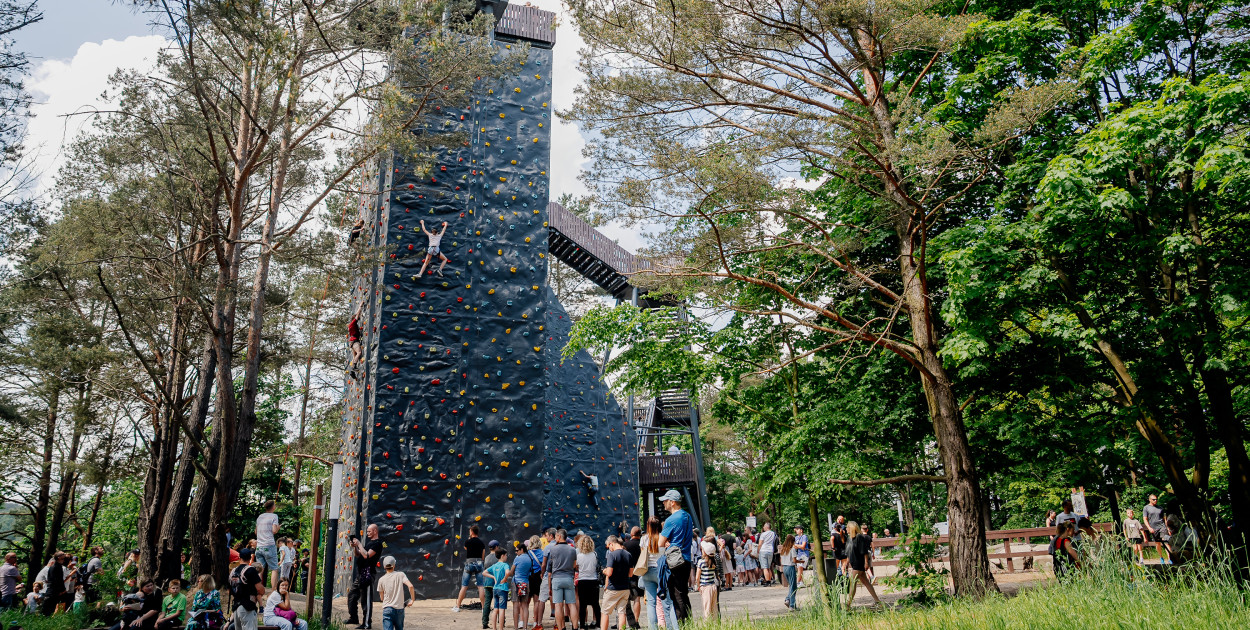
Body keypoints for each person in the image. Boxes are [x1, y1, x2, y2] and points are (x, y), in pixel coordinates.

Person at [657, 490, 694, 621]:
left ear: (672, 503)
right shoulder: (688, 516)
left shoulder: (670, 520)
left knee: (676, 595)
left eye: (665, 501)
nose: (663, 503)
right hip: (686, 559)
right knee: (684, 593)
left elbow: (660, 543)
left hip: (675, 561)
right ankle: (689, 622)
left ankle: (682, 624)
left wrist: (667, 541)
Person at [636, 517, 678, 630]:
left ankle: (653, 628)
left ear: (648, 526)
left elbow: (643, 557)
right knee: (667, 603)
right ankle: (671, 627)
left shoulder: (644, 539)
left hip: (647, 572)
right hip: (661, 571)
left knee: (651, 603)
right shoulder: (662, 538)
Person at [346, 524, 382, 628]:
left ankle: (366, 624)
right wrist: (355, 547)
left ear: (375, 531)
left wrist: (360, 544)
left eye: (369, 531)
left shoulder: (378, 544)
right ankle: (353, 617)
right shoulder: (369, 543)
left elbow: (366, 555)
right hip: (360, 573)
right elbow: (359, 554)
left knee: (365, 600)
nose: (367, 533)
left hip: (368, 574)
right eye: (367, 532)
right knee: (352, 595)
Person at [545, 529, 578, 630]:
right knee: (572, 604)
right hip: (568, 578)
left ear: (559, 536)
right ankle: (575, 627)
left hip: (557, 579)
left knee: (558, 605)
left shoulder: (553, 549)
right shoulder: (572, 549)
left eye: (555, 537)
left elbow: (550, 565)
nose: (555, 539)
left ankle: (561, 627)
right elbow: (574, 565)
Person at [844, 522, 881, 609]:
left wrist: (866, 562)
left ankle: (848, 605)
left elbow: (864, 551)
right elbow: (849, 552)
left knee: (853, 583)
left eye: (847, 527)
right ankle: (878, 601)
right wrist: (847, 563)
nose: (846, 529)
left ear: (852, 528)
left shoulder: (859, 537)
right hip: (853, 563)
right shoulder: (849, 538)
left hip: (859, 562)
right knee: (866, 582)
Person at [454, 524, 488, 613]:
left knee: (464, 586)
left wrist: (470, 538)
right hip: (479, 563)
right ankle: (484, 608)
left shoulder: (468, 542)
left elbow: (466, 548)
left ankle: (457, 606)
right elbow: (483, 556)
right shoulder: (481, 543)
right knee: (481, 586)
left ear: (472, 532)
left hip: (469, 563)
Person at [601, 536, 632, 630]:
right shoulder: (628, 554)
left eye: (608, 546)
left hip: (613, 589)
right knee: (622, 612)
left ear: (611, 543)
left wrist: (604, 571)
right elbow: (630, 574)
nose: (609, 548)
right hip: (625, 588)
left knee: (605, 612)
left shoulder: (612, 555)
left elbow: (609, 572)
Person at [229, 549, 265, 630]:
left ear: (239, 557)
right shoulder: (250, 570)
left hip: (236, 607)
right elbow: (260, 589)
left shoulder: (233, 571)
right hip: (247, 607)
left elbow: (230, 590)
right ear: (250, 558)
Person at [377, 556, 415, 630]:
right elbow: (410, 586)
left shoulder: (381, 580)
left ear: (384, 566)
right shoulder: (401, 574)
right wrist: (412, 599)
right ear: (394, 565)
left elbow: (382, 598)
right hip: (399, 609)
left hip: (387, 609)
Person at [574, 534, 600, 628]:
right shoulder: (594, 554)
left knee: (582, 604)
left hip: (582, 580)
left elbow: (576, 567)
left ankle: (582, 624)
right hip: (593, 579)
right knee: (595, 604)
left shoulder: (579, 556)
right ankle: (598, 624)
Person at [483, 550, 512, 630]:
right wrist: (505, 578)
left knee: (495, 609)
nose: (506, 557)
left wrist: (493, 577)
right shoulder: (505, 565)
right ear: (502, 555)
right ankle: (501, 628)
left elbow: (484, 572)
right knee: (502, 609)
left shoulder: (495, 565)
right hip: (503, 589)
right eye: (506, 555)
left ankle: (494, 628)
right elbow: (508, 572)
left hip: (495, 589)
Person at [255, 500, 281, 590]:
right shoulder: (274, 516)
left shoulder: (260, 517)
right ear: (273, 507)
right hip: (269, 545)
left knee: (259, 569)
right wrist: (278, 528)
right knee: (274, 568)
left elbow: (256, 531)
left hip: (259, 546)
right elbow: (274, 531)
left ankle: (258, 589)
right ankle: (273, 590)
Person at [622, 527, 643, 629]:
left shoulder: (626, 545)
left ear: (631, 533)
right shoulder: (642, 544)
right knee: (637, 598)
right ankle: (636, 620)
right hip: (639, 574)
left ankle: (626, 622)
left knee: (626, 599)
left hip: (627, 574)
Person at [511, 541, 535, 630]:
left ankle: (516, 627)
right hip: (525, 583)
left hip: (516, 583)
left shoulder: (517, 558)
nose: (516, 552)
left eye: (517, 550)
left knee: (516, 605)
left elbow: (512, 571)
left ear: (521, 550)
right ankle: (525, 627)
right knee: (525, 606)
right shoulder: (529, 558)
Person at [1142, 495, 1169, 564]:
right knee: (1157, 543)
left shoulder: (1160, 508)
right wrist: (1149, 528)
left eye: (1156, 499)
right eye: (1154, 499)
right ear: (1150, 500)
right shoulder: (1146, 508)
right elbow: (1145, 519)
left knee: (1166, 542)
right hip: (1153, 528)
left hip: (1162, 527)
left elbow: (1164, 518)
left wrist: (1167, 528)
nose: (1155, 501)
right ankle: (1161, 557)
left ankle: (1169, 558)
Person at [695, 541, 718, 620]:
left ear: (704, 551)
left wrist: (698, 585)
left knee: (706, 608)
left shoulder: (701, 562)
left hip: (705, 586)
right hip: (713, 586)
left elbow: (697, 577)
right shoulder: (714, 561)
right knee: (714, 607)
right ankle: (715, 624)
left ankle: (707, 625)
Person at [778, 535, 797, 610]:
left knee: (792, 586)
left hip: (784, 567)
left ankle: (790, 602)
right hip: (790, 567)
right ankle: (791, 604)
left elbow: (780, 560)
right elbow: (794, 560)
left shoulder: (783, 549)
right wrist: (801, 561)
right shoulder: (792, 549)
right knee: (793, 586)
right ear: (792, 541)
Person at [756, 523, 776, 587]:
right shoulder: (773, 533)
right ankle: (770, 580)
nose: (763, 527)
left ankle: (767, 581)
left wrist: (758, 551)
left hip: (763, 550)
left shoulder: (763, 534)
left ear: (767, 527)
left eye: (764, 526)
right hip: (770, 550)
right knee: (769, 567)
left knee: (765, 567)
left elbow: (760, 544)